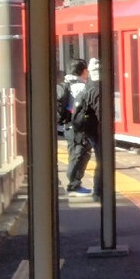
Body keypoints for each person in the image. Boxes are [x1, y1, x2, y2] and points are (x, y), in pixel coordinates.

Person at [71, 57, 104, 202]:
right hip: (97, 131)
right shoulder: (97, 90)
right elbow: (100, 113)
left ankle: (99, 191)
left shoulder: (89, 86)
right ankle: (98, 192)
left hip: (89, 130)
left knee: (100, 160)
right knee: (102, 161)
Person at [59, 58, 92, 194]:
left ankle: (74, 183)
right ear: (84, 71)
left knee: (74, 153)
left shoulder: (67, 83)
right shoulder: (81, 87)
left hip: (68, 125)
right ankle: (74, 185)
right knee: (79, 154)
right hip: (78, 126)